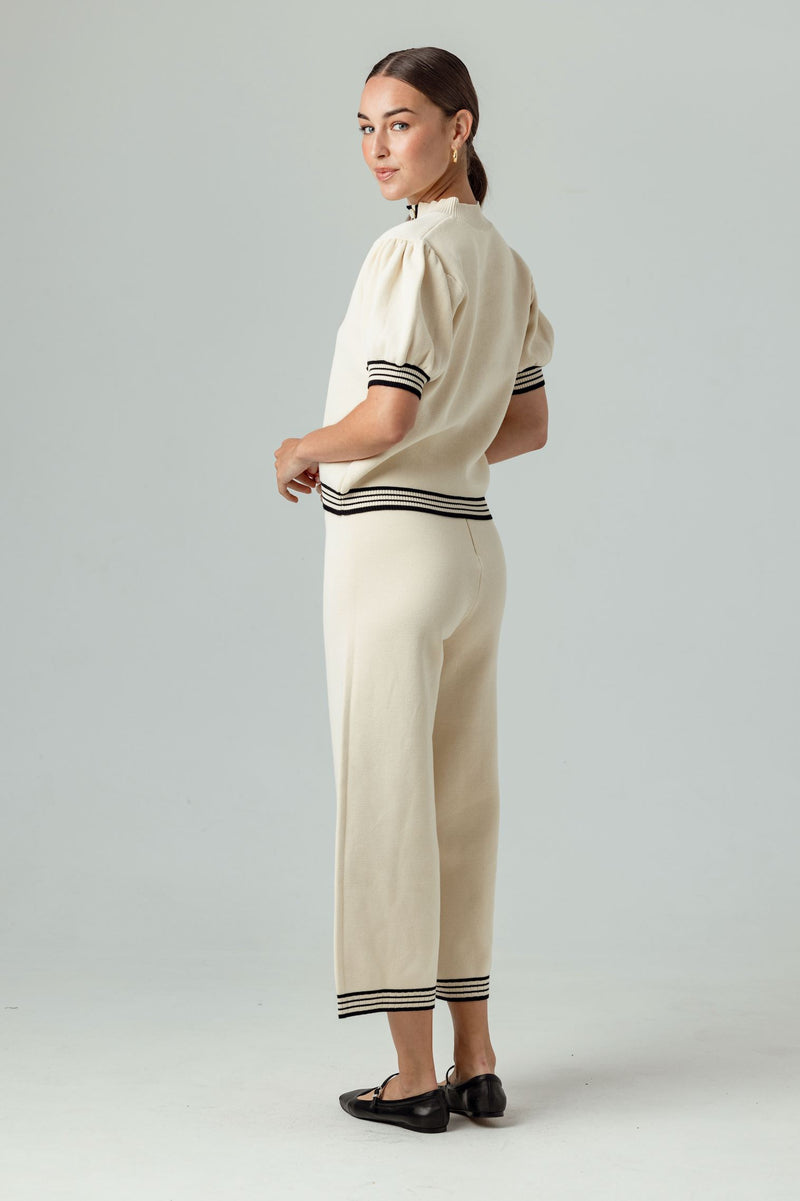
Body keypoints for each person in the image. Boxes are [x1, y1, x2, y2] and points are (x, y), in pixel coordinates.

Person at [274, 46, 554, 1134]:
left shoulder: (410, 252)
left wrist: (303, 446)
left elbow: (384, 416)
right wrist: (449, 441)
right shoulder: (504, 261)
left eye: (398, 122)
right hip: (472, 549)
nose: (376, 148)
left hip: (390, 547)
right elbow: (526, 425)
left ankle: (412, 1074)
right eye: (363, 127)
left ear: (457, 126)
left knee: (390, 800)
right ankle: (477, 1058)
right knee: (461, 802)